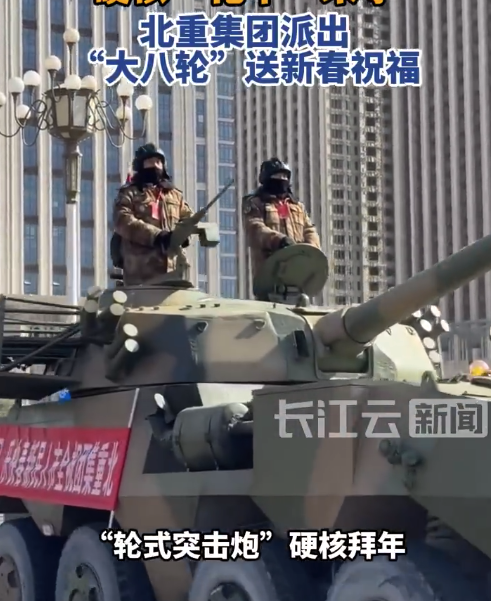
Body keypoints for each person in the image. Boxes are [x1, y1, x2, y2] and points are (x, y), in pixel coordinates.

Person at [111, 143, 193, 285]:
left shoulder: (175, 195)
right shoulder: (129, 193)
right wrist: (156, 236)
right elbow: (122, 220)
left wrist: (184, 235)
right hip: (140, 274)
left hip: (173, 271)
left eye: (158, 162)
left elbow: (188, 218)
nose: (155, 165)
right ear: (140, 165)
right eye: (150, 161)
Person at [242, 158, 321, 280]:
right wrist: (279, 240)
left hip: (298, 273)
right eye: (277, 176)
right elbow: (255, 228)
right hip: (270, 273)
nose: (282, 179)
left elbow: (309, 229)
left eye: (285, 176)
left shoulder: (297, 206)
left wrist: (311, 249)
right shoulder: (256, 203)